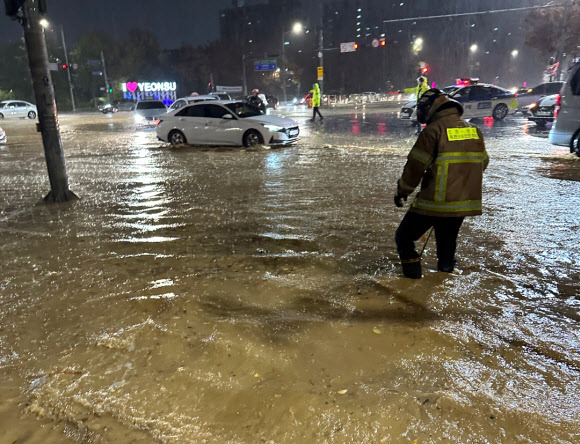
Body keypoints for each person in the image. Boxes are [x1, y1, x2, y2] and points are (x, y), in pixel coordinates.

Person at [393, 89, 489, 279]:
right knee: (447, 245)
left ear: (432, 108)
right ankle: (444, 282)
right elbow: (482, 162)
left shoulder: (433, 131)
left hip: (434, 202)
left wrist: (402, 191)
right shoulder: (473, 130)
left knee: (403, 237)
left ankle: (412, 282)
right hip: (461, 203)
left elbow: (415, 167)